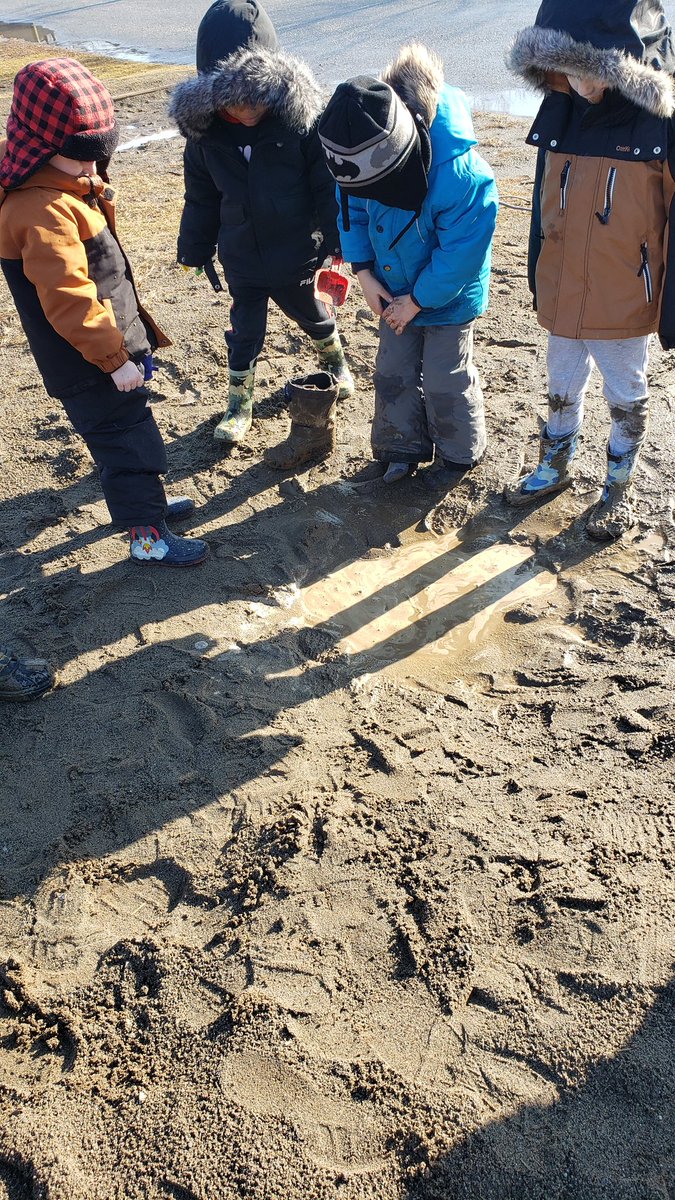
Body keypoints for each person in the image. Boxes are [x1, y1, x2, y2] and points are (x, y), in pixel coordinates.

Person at [0, 58, 208, 566]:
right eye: (83, 161)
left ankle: (148, 509)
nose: (94, 170)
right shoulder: (41, 209)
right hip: (89, 362)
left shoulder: (62, 189)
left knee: (130, 435)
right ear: (43, 149)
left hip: (105, 351)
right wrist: (114, 361)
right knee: (128, 447)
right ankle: (147, 538)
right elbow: (69, 298)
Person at [505, 0, 675, 540]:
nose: (579, 86)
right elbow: (541, 205)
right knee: (561, 382)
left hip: (625, 292)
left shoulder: (659, 127)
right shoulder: (561, 111)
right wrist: (539, 274)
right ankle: (554, 465)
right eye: (566, 72)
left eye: (590, 72)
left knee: (626, 391)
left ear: (620, 64)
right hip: (564, 287)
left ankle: (617, 487)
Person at [169, 0, 354, 466]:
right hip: (242, 257)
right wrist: (194, 247)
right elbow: (202, 199)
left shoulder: (300, 125)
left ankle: (334, 358)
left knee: (313, 314)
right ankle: (239, 404)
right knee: (243, 331)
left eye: (258, 93)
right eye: (233, 96)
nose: (247, 106)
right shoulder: (205, 139)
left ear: (278, 86)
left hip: (296, 253)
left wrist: (336, 243)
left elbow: (325, 186)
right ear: (210, 95)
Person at [318, 44, 498, 485]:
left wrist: (417, 301)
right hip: (390, 285)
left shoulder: (462, 175)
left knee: (444, 376)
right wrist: (362, 272)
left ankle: (457, 455)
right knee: (392, 369)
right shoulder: (361, 143)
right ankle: (400, 447)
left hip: (447, 295)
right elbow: (352, 211)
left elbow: (460, 255)